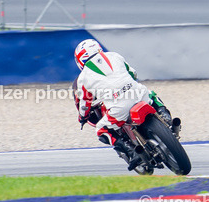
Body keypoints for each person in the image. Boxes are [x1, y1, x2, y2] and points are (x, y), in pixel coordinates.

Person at [72, 39, 179, 170]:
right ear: (98, 48)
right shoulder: (114, 55)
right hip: (139, 94)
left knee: (101, 129)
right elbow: (133, 73)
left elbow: (84, 103)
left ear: (80, 60)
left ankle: (131, 151)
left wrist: (82, 117)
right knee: (151, 94)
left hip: (119, 107)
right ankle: (165, 116)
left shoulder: (83, 77)